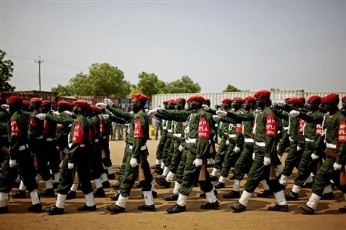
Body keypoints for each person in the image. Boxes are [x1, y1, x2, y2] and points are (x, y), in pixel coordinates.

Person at [229, 90, 288, 213]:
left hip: (264, 152)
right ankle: (282, 203)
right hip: (260, 150)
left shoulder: (269, 113)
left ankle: (242, 203)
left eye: (259, 100)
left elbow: (270, 136)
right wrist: (227, 115)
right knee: (271, 179)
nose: (256, 102)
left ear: (265, 100)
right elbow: (244, 117)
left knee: (253, 177)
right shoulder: (260, 113)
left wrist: (267, 154)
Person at [166, 95, 219, 214]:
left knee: (188, 176)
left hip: (196, 151)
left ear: (199, 103)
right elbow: (176, 116)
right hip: (190, 148)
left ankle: (181, 203)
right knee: (203, 178)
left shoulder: (203, 115)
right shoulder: (193, 114)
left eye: (192, 102)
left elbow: (203, 138)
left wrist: (200, 156)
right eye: (188, 102)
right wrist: (159, 113)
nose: (189, 104)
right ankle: (213, 201)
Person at [44, 100, 97, 215]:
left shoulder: (79, 121)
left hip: (76, 153)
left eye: (76, 107)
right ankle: (91, 203)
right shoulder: (86, 120)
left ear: (81, 109)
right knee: (84, 179)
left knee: (65, 177)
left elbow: (76, 141)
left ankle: (59, 206)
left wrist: (71, 158)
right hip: (83, 152)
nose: (74, 108)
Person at [106, 93, 155, 214]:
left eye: (132, 102)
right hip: (139, 151)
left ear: (138, 104)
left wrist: (134, 156)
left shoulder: (139, 117)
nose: (131, 104)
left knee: (128, 177)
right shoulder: (138, 115)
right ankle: (149, 203)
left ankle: (120, 204)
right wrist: (110, 107)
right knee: (144, 178)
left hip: (136, 152)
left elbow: (138, 138)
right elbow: (123, 115)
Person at [299, 93, 346, 214]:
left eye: (327, 104)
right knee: (338, 181)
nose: (324, 106)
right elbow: (318, 127)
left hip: (336, 154)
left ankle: (311, 205)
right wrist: (299, 114)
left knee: (320, 176)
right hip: (328, 152)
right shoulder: (327, 116)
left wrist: (339, 160)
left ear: (334, 104)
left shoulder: (341, 118)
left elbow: (343, 141)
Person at [0, 96, 42, 214]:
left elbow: (15, 138)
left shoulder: (15, 118)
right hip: (25, 151)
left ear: (13, 106)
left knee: (5, 178)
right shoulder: (23, 115)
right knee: (29, 178)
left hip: (17, 153)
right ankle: (36, 204)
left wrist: (12, 156)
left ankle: (2, 206)